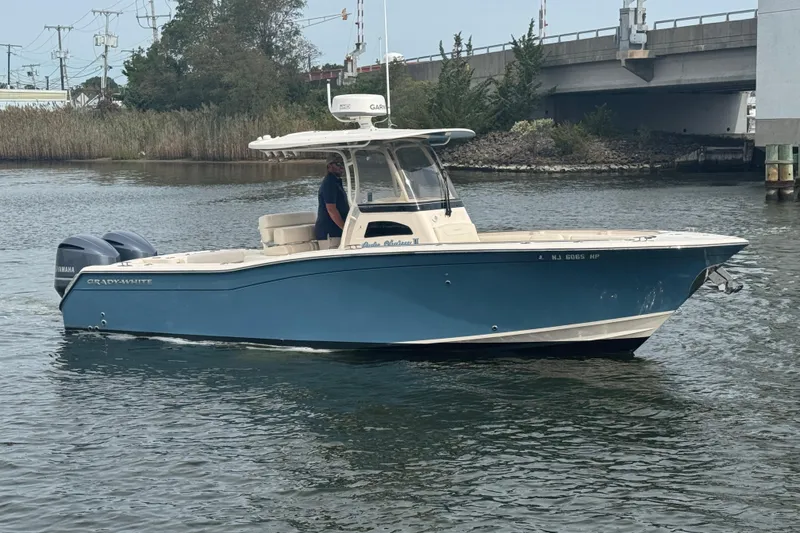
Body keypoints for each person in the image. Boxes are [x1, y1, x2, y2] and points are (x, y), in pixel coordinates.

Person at [314, 153, 350, 244]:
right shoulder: (329, 183)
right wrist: (345, 229)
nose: (342, 167)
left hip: (336, 231)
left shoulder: (336, 182)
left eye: (343, 164)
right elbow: (331, 209)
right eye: (338, 164)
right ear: (329, 166)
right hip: (329, 233)